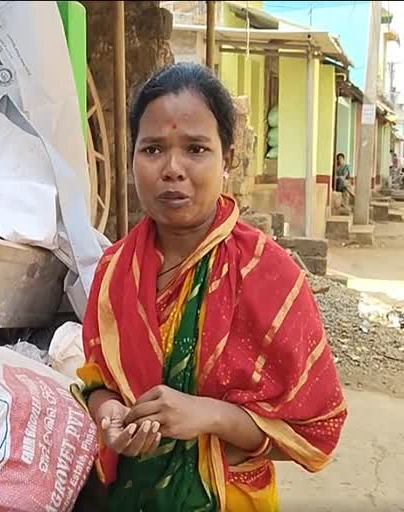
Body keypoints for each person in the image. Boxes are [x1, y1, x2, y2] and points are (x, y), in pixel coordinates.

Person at [73, 63, 346, 512]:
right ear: (133, 157)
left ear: (229, 159)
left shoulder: (268, 275)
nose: (172, 169)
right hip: (125, 496)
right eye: (153, 149)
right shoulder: (115, 269)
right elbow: (97, 380)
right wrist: (110, 417)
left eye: (196, 149)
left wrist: (210, 416)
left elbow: (314, 429)